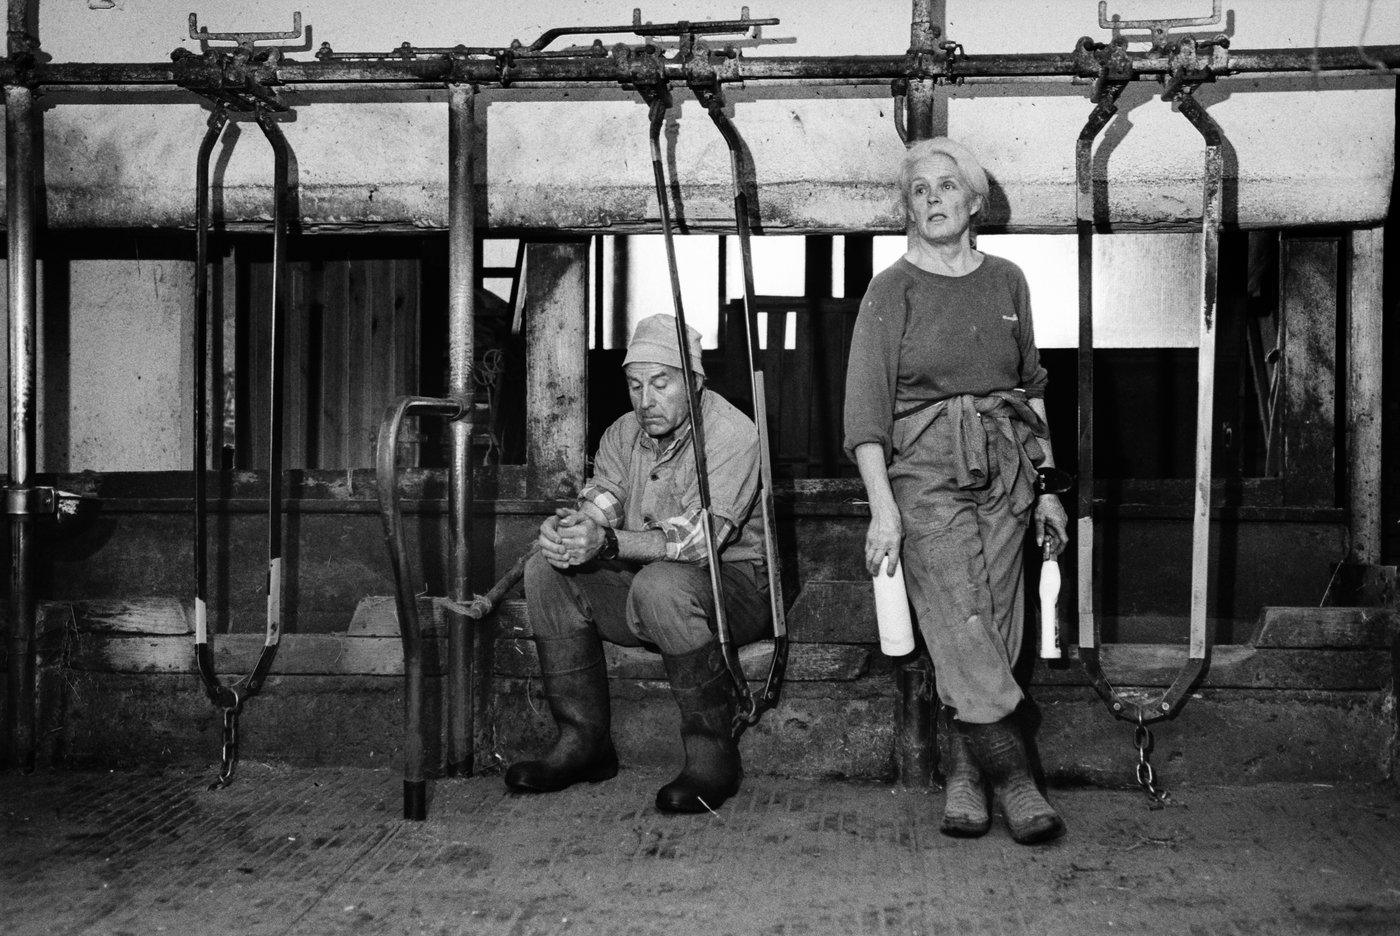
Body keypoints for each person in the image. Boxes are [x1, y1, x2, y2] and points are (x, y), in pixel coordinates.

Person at [843, 137, 1070, 845]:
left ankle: (965, 775)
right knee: (957, 619)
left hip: (1006, 462)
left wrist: (1050, 488)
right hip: (925, 467)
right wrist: (884, 510)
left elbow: (1031, 391)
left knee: (998, 622)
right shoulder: (891, 290)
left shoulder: (1007, 279)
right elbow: (864, 414)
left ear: (974, 203)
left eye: (947, 187)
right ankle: (1015, 778)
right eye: (919, 190)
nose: (933, 199)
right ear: (907, 208)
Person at [506, 312, 771, 813]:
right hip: (647, 585)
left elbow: (701, 540)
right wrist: (571, 531)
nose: (645, 401)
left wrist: (606, 544)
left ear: (693, 382)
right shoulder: (623, 433)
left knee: (662, 584)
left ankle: (713, 756)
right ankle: (583, 743)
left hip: (731, 591)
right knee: (545, 569)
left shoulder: (734, 434)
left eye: (660, 384)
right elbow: (603, 500)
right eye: (633, 385)